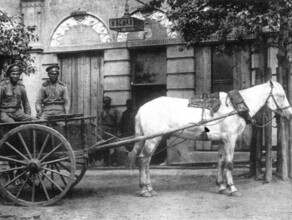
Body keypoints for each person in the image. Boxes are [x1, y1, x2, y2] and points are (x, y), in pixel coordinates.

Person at [100, 96, 118, 166]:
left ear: (110, 102)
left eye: (107, 102)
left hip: (112, 129)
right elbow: (100, 120)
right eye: (104, 102)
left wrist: (117, 129)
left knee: (114, 145)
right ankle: (106, 161)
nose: (105, 103)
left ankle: (114, 161)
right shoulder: (102, 111)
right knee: (104, 146)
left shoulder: (114, 110)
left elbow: (117, 121)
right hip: (104, 129)